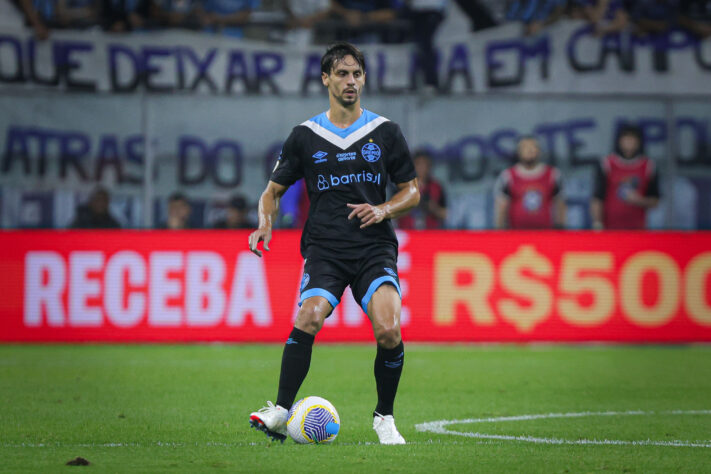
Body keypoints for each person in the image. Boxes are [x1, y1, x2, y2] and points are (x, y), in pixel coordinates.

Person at [247, 42, 419, 445]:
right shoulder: (306, 136)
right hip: (326, 248)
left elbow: (412, 191)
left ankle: (384, 417)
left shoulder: (385, 132)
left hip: (374, 247)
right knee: (308, 317)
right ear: (326, 79)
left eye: (356, 74)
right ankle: (281, 412)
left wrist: (383, 209)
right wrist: (264, 223)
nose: (351, 81)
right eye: (342, 74)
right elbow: (271, 192)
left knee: (389, 329)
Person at [590, 125, 660, 230]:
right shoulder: (607, 164)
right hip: (610, 228)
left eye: (632, 139)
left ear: (639, 142)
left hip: (638, 228)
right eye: (626, 138)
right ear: (619, 141)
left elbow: (655, 200)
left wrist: (639, 200)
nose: (629, 142)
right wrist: (597, 223)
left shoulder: (649, 166)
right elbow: (597, 197)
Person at [494, 136, 566, 230]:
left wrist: (560, 228)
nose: (529, 150)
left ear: (539, 151)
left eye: (533, 147)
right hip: (516, 235)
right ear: (518, 152)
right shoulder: (508, 176)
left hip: (546, 234)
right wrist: (500, 230)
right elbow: (501, 206)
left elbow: (560, 204)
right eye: (525, 147)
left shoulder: (553, 175)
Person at [397, 150, 446, 229]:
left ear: (429, 167)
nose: (421, 168)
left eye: (424, 164)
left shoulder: (436, 187)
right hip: (407, 233)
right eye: (418, 164)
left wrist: (434, 209)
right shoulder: (402, 186)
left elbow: (446, 214)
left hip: (430, 234)